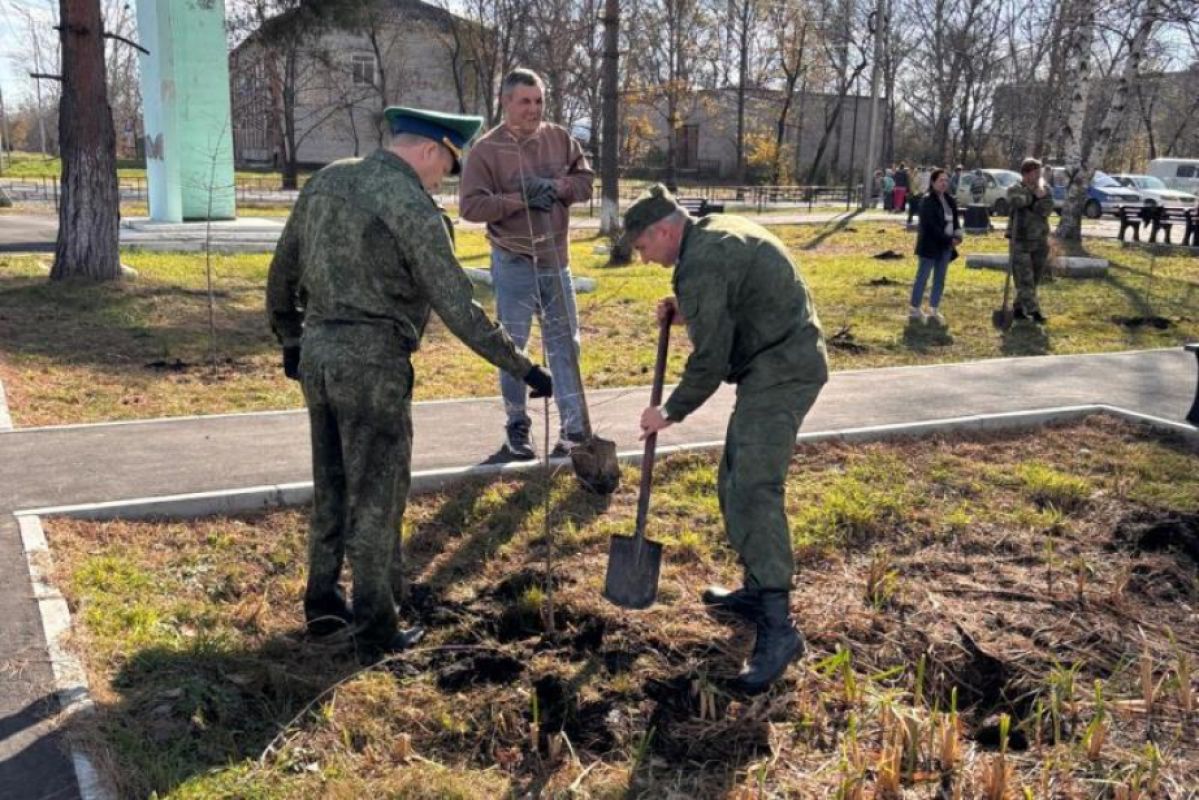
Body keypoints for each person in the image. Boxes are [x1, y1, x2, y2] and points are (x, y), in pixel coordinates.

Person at [267, 106, 552, 659]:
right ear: (428, 149)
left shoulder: (326, 180)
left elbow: (283, 268)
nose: (443, 177)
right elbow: (458, 306)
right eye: (446, 164)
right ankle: (376, 627)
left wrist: (290, 337)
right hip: (373, 365)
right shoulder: (411, 207)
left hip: (319, 356)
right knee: (378, 496)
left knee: (332, 487)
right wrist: (523, 366)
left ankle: (324, 607)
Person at [626, 184, 828, 695]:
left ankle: (779, 628)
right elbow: (732, 295)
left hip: (783, 367)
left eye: (644, 248)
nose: (644, 260)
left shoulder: (702, 262)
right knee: (734, 477)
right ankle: (757, 589)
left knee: (754, 487)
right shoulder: (710, 237)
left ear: (665, 231)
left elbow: (710, 361)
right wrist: (687, 308)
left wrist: (668, 411)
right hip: (777, 358)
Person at [460, 68, 595, 460]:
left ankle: (573, 432)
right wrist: (519, 199)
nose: (533, 109)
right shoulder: (486, 150)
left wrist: (557, 188)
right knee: (512, 347)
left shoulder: (559, 139)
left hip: (556, 261)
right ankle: (517, 427)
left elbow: (585, 182)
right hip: (513, 261)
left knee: (565, 346)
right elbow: (471, 206)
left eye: (539, 101)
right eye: (525, 101)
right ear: (506, 103)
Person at [911, 168, 963, 325]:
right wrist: (948, 240)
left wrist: (958, 235)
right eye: (941, 180)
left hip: (946, 247)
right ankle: (915, 309)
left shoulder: (950, 200)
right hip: (930, 245)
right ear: (933, 182)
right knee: (923, 277)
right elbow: (931, 226)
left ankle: (934, 308)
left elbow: (955, 221)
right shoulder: (927, 200)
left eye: (946, 180)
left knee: (940, 278)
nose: (944, 183)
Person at [1006, 157, 1054, 323]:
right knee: (1024, 278)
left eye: (1039, 172)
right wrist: (1034, 196)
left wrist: (1033, 201)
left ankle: (1019, 308)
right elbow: (1017, 201)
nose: (1038, 175)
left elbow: (1047, 208)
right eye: (1035, 172)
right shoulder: (1015, 188)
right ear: (1026, 173)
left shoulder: (1045, 188)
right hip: (1020, 240)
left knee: (1034, 278)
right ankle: (1034, 312)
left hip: (1040, 239)